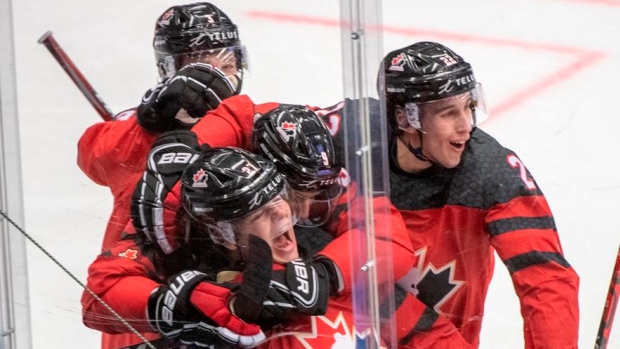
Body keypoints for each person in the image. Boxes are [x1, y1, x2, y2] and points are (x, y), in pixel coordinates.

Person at [84, 145, 474, 349]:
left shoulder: (321, 248)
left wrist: (325, 275)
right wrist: (188, 303)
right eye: (261, 213)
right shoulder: (181, 260)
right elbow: (99, 296)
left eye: (279, 202)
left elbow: (429, 334)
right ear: (221, 231)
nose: (284, 220)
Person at [371, 41, 579, 348]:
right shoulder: (355, 141)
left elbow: (546, 279)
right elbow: (277, 129)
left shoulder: (493, 172)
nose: (466, 126)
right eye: (448, 113)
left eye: (468, 107)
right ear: (405, 118)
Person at [77, 2, 245, 253]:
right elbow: (94, 155)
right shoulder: (143, 122)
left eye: (227, 65)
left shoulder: (246, 118)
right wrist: (152, 126)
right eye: (201, 66)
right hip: (145, 271)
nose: (216, 78)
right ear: (169, 68)